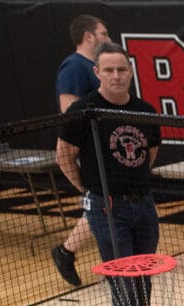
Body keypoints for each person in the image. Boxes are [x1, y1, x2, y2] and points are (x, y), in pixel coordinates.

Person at [56, 42, 161, 306]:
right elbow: (64, 156)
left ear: (131, 72)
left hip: (144, 204)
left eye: (121, 69)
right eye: (109, 70)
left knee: (143, 272)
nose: (116, 75)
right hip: (108, 208)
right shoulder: (84, 110)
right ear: (97, 72)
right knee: (122, 276)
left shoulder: (146, 110)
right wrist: (88, 188)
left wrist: (134, 179)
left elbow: (150, 153)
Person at [50, 14, 110, 287]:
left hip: (105, 145)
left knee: (105, 206)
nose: (108, 39)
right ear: (89, 36)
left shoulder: (96, 65)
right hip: (88, 148)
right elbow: (69, 110)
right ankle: (67, 251)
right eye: (104, 34)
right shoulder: (74, 67)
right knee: (100, 204)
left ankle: (66, 251)